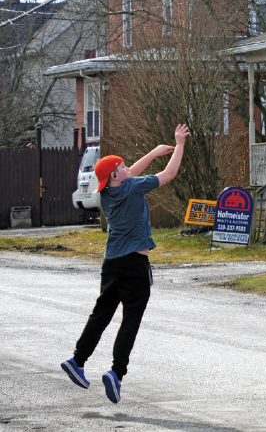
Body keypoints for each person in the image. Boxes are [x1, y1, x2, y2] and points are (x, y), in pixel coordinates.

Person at [60, 124, 190, 404]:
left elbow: (129, 173)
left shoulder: (107, 193)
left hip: (112, 264)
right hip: (134, 265)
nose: (127, 167)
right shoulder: (132, 188)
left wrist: (154, 153)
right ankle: (116, 373)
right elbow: (170, 174)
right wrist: (179, 145)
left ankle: (77, 360)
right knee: (130, 320)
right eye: (122, 166)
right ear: (116, 175)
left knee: (102, 314)